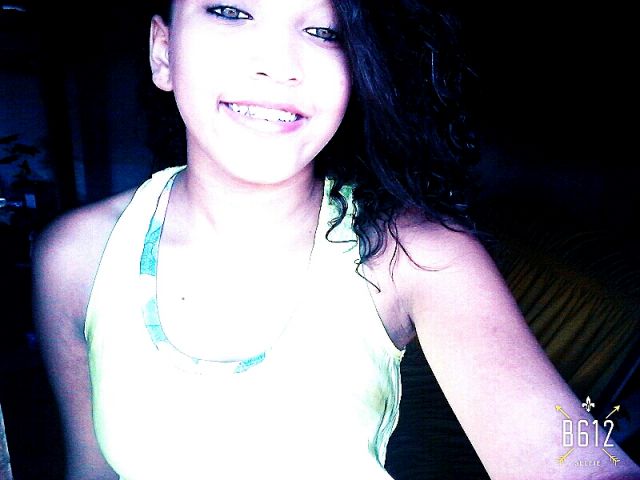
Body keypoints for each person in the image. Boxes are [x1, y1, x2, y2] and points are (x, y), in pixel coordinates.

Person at [32, 1, 640, 479]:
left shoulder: (414, 256)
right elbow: (91, 469)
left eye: (325, 32)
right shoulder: (78, 257)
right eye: (232, 12)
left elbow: (575, 459)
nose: (278, 65)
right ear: (163, 51)